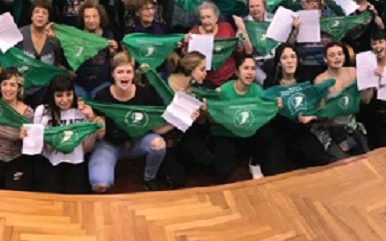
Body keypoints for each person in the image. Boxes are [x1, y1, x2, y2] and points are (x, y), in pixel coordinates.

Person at [86, 52, 168, 192]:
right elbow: (99, 134)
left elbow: (157, 129)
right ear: (113, 74)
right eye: (120, 72)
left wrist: (183, 120)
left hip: (137, 142)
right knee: (99, 184)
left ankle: (149, 178)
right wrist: (93, 121)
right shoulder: (102, 96)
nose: (124, 76)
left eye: (128, 72)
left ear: (134, 74)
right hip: (109, 144)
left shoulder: (145, 94)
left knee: (158, 144)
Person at [210, 53, 282, 181]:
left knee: (268, 134)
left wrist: (275, 107)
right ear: (237, 72)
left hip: (249, 134)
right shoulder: (222, 91)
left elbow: (264, 115)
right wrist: (208, 107)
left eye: (253, 69)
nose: (250, 72)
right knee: (221, 171)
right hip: (227, 135)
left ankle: (255, 162)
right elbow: (212, 119)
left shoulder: (257, 90)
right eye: (246, 68)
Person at [263, 43, 334, 170]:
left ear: (298, 60)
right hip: (278, 130)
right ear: (279, 62)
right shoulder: (271, 82)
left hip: (301, 128)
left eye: (293, 57)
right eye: (284, 58)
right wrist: (274, 107)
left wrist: (312, 116)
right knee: (274, 169)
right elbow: (265, 113)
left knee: (321, 160)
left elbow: (315, 105)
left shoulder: (305, 79)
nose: (290, 61)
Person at [33, 74, 104, 194]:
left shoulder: (82, 111)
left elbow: (89, 146)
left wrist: (91, 118)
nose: (65, 100)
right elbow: (36, 143)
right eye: (59, 95)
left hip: (76, 164)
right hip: (49, 163)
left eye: (69, 94)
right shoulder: (42, 111)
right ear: (52, 95)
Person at [158, 51, 211, 188]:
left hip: (182, 135)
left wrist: (202, 112)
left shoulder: (196, 90)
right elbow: (156, 127)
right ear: (192, 70)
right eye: (202, 69)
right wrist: (182, 118)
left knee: (205, 161)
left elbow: (201, 122)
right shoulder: (163, 84)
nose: (205, 73)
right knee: (176, 181)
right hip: (163, 137)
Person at [310, 42, 370, 159]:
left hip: (351, 126)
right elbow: (320, 114)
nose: (337, 57)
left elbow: (365, 100)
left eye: (339, 54)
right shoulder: (320, 80)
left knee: (366, 157)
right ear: (325, 59)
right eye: (332, 55)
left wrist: (369, 84)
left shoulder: (354, 72)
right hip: (330, 128)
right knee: (342, 162)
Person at [0, 67, 36, 190]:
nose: (8, 89)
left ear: (19, 88)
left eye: (12, 85)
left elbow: (34, 144)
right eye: (4, 84)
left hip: (16, 162)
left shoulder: (27, 113)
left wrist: (25, 138)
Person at [71, 0, 119, 99]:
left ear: (100, 17)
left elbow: (113, 62)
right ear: (82, 19)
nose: (91, 20)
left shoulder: (108, 35)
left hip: (102, 83)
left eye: (94, 16)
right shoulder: (75, 36)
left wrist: (113, 52)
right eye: (87, 17)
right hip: (80, 83)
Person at [186, 2, 238, 88]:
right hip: (206, 80)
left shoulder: (227, 28)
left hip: (229, 77)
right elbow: (188, 60)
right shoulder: (194, 33)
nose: (206, 21)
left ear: (216, 17)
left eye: (209, 17)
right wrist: (186, 43)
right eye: (203, 18)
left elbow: (236, 50)